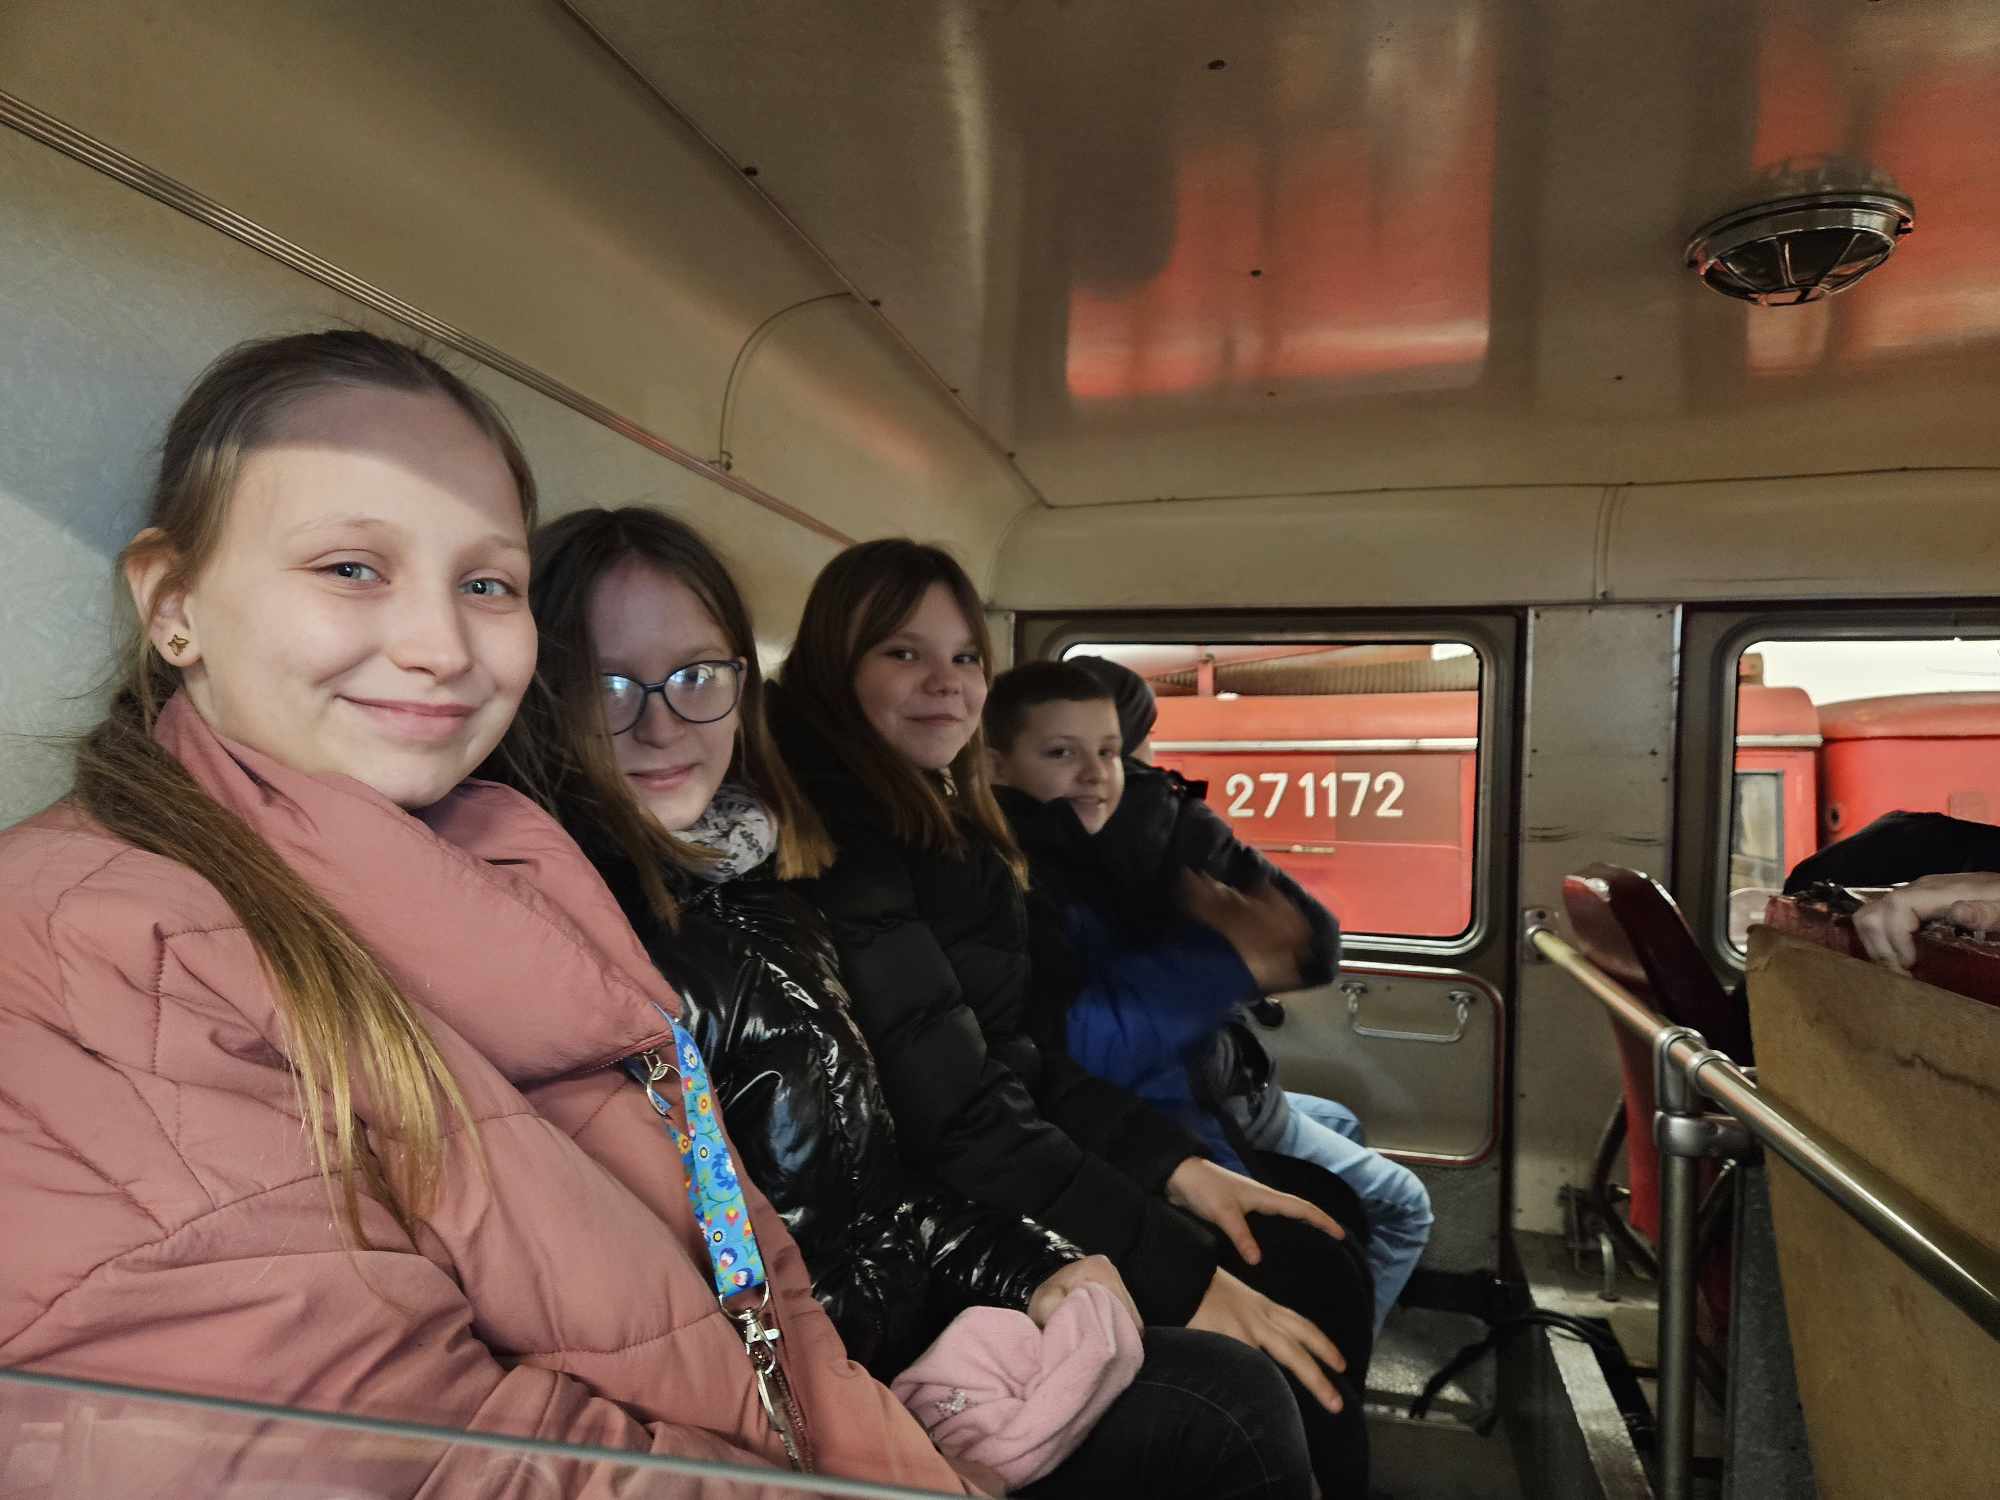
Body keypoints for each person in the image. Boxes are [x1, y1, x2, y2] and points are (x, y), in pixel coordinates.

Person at [0, 331, 976, 1497]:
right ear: (173, 604)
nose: (441, 648)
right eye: (350, 567)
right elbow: (405, 1462)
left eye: (485, 584)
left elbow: (754, 1295)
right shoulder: (86, 951)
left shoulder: (508, 879)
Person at [493, 506, 1314, 1499]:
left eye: (697, 675)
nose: (660, 723)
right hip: (808, 1392)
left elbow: (870, 1168)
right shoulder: (570, 933)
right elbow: (934, 1126)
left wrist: (1035, 1260)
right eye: (608, 683)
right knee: (1233, 1401)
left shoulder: (757, 881)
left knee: (1255, 1354)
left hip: (887, 1307)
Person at [768, 538, 1373, 1494]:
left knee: (1316, 1251)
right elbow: (959, 1112)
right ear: (834, 670)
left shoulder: (947, 831)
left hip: (995, 1179)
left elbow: (1023, 1057)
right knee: (1251, 1373)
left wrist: (1177, 1168)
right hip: (934, 1227)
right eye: (903, 653)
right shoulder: (842, 846)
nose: (946, 683)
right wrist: (1179, 1272)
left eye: (965, 657)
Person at [986, 659, 1433, 1333]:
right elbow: (1074, 1048)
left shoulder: (1092, 848)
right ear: (997, 765)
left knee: (1339, 1143)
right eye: (1060, 753)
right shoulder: (1022, 877)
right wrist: (1232, 962)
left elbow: (1307, 939)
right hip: (1144, 1138)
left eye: (1109, 751)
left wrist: (1245, 953)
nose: (1099, 774)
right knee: (1399, 1210)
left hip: (1186, 1106)